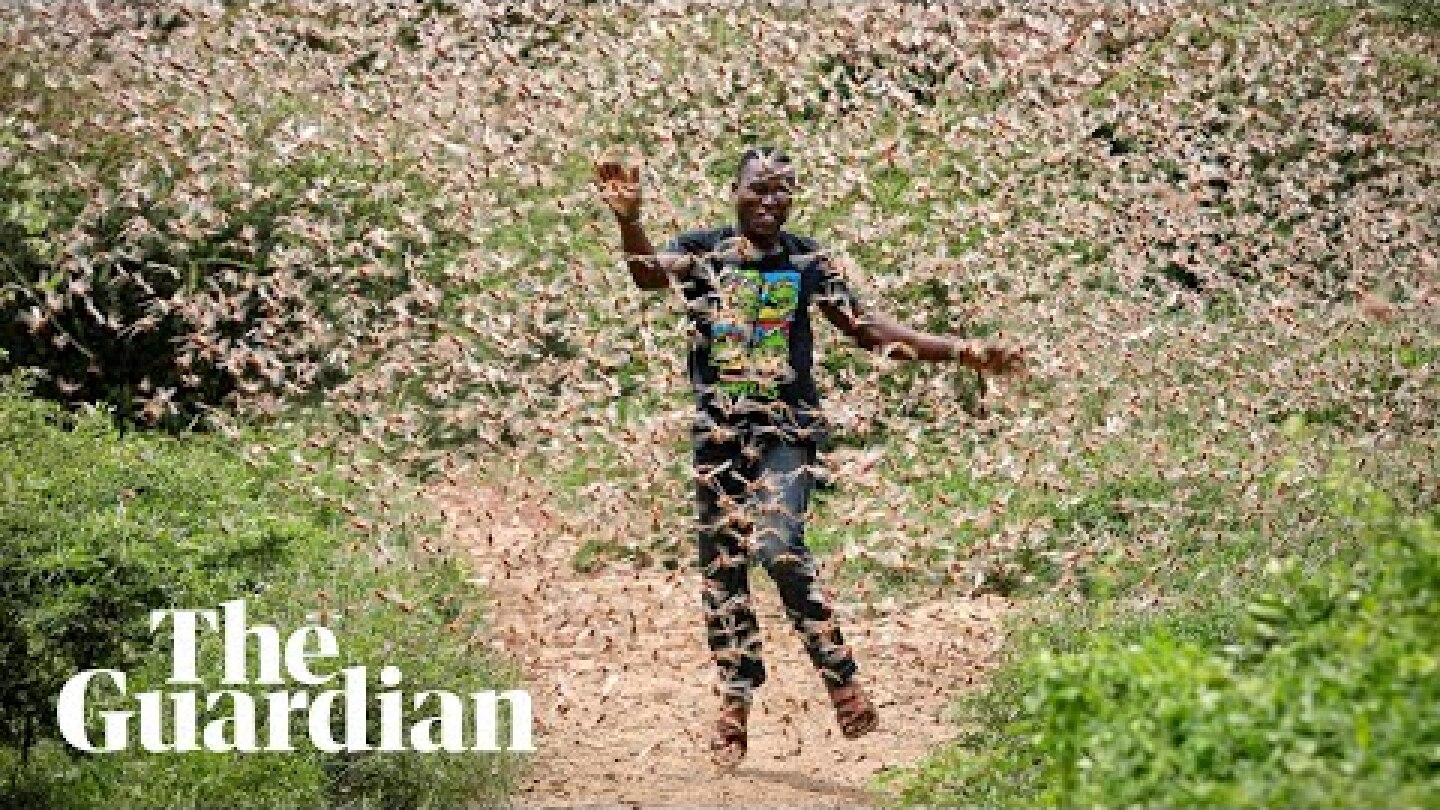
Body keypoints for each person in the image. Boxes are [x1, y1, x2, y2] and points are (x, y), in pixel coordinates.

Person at [592, 146, 1024, 771]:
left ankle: (840, 678)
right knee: (723, 571)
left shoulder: (807, 260)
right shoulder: (704, 250)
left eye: (782, 191)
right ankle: (735, 700)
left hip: (786, 432)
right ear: (733, 192)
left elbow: (869, 331)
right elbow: (647, 273)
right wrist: (629, 220)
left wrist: (961, 351)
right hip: (718, 437)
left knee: (779, 547)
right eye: (758, 189)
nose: (769, 200)